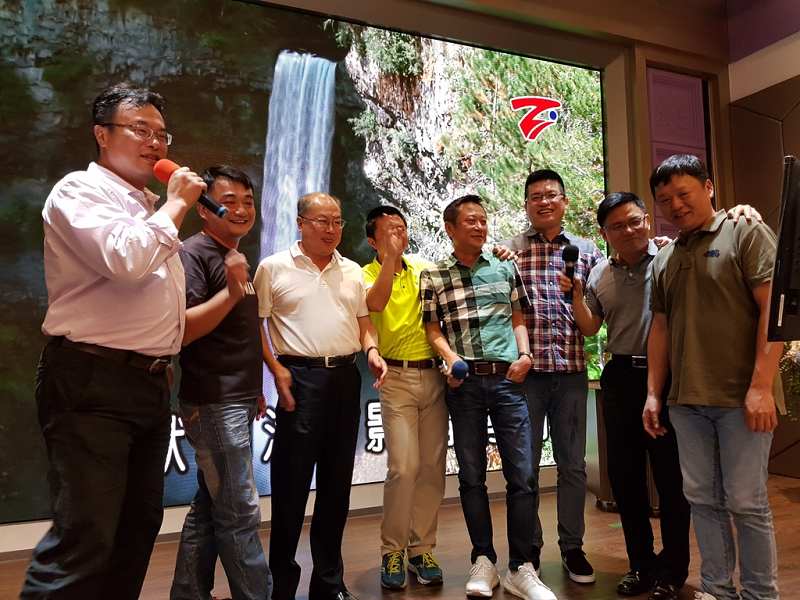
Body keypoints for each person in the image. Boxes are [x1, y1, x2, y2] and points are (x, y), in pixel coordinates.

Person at [22, 83, 205, 599]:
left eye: (162, 134)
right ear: (102, 135)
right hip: (91, 378)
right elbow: (126, 261)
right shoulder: (78, 191)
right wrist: (176, 205)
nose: (155, 143)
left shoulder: (148, 205)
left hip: (147, 383)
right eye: (140, 130)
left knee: (135, 529)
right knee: (85, 537)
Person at [644, 154, 783, 600]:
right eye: (665, 199)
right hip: (687, 402)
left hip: (741, 398)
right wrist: (653, 393)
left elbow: (774, 311)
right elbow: (660, 328)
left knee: (746, 502)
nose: (676, 205)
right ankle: (716, 589)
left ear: (708, 187)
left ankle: (760, 595)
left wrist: (761, 386)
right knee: (702, 500)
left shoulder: (746, 231)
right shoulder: (666, 257)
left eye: (684, 193)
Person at [421, 195, 556, 600]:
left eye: (483, 220)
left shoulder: (504, 266)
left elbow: (518, 317)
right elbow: (432, 329)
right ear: (450, 228)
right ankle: (483, 559)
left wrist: (526, 355)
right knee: (471, 476)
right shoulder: (434, 275)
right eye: (471, 221)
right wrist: (450, 358)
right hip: (463, 387)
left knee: (523, 475)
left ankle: (521, 567)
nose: (480, 227)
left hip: (508, 380)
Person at [254, 192, 388, 600]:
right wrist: (275, 368)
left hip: (345, 377)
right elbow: (255, 326)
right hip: (299, 378)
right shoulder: (273, 267)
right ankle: (281, 585)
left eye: (337, 222)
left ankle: (329, 583)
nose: (331, 230)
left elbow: (364, 321)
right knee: (291, 486)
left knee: (336, 485)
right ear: (301, 223)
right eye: (322, 221)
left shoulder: (351, 270)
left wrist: (371, 350)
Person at [566, 192, 691, 600]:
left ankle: (673, 571)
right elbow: (590, 327)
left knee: (672, 480)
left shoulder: (672, 257)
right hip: (621, 377)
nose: (628, 230)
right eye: (617, 226)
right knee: (626, 479)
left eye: (634, 221)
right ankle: (641, 565)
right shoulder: (600, 272)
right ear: (605, 233)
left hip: (669, 377)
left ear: (648, 221)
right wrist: (576, 294)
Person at [170, 165, 272, 600]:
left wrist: (256, 389)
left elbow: (238, 335)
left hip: (236, 397)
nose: (242, 210)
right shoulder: (193, 254)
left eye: (248, 201)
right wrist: (231, 291)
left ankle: (188, 593)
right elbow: (183, 330)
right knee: (240, 510)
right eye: (229, 202)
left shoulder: (234, 257)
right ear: (203, 209)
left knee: (212, 504)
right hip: (213, 401)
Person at [502, 169, 602, 584]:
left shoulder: (587, 251)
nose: (543, 202)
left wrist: (575, 293)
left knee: (573, 466)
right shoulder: (511, 251)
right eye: (535, 197)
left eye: (551, 195)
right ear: (526, 204)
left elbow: (593, 323)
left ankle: (572, 547)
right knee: (523, 469)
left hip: (572, 374)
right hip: (526, 378)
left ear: (564, 201)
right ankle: (529, 551)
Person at [362, 206, 448, 589]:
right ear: (372, 240)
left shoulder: (424, 268)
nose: (399, 235)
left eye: (402, 228)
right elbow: (375, 304)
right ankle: (392, 550)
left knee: (432, 468)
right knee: (403, 468)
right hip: (394, 377)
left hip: (434, 376)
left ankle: (421, 549)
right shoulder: (364, 274)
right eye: (389, 231)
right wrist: (390, 261)